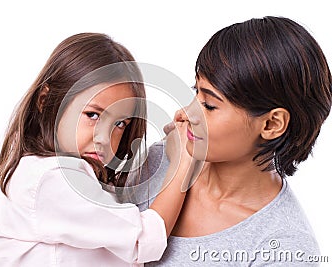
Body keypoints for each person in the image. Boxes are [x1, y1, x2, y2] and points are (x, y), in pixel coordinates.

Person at [0, 33, 198, 266]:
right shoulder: (53, 177)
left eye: (119, 124)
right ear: (46, 100)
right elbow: (142, 240)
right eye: (93, 115)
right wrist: (183, 163)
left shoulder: (79, 182)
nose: (103, 137)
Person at [137, 16, 332, 266]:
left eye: (209, 105)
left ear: (271, 124)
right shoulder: (160, 159)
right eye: (195, 91)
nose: (183, 114)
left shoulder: (284, 249)